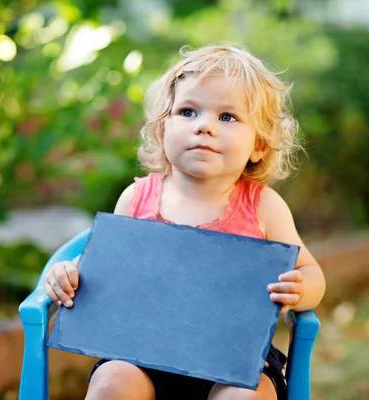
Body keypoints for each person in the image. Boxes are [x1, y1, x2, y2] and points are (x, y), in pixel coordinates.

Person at [45, 44, 326, 400]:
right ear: (163, 130)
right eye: (188, 111)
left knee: (245, 397)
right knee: (112, 382)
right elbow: (106, 274)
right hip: (141, 355)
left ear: (259, 145)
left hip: (234, 362)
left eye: (227, 117)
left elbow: (311, 273)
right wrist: (70, 273)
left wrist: (300, 288)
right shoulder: (137, 199)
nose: (204, 127)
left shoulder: (263, 207)